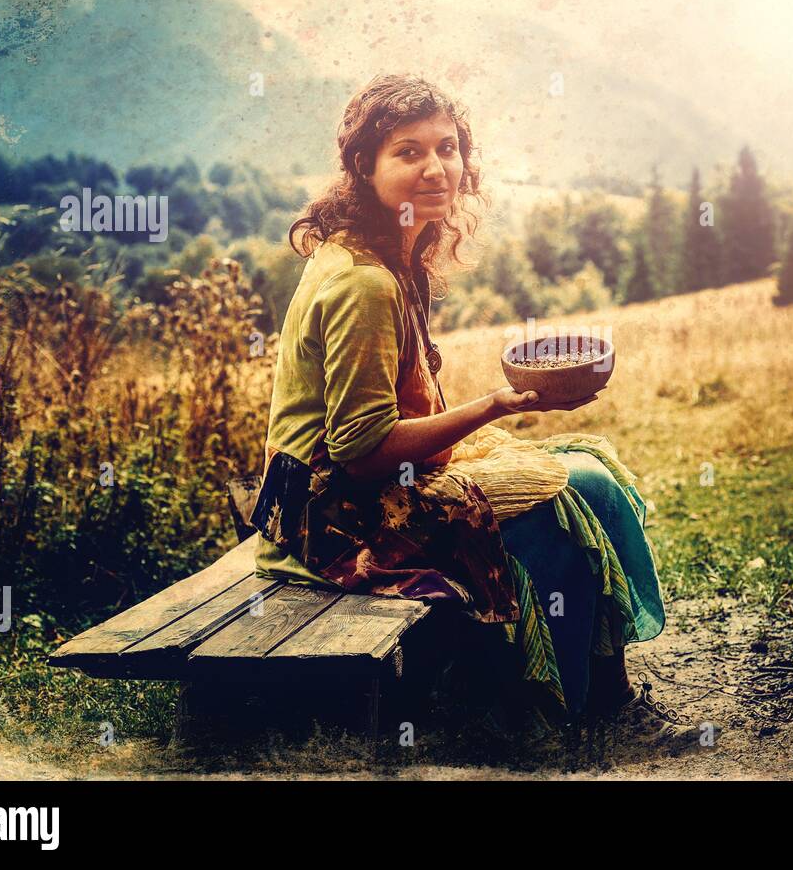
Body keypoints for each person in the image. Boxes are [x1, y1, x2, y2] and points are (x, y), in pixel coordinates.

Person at [249, 73, 706, 757]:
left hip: (352, 486)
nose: (436, 167)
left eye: (448, 147)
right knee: (566, 502)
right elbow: (361, 451)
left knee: (593, 474)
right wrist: (495, 405)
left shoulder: (393, 252)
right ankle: (547, 714)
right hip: (332, 510)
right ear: (363, 168)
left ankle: (601, 694)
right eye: (407, 152)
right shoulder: (362, 281)